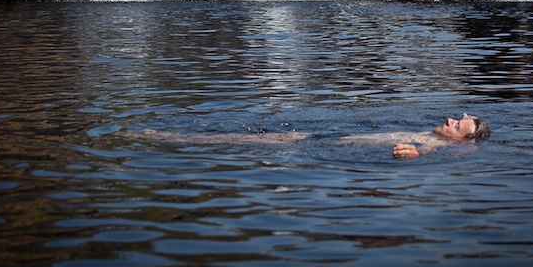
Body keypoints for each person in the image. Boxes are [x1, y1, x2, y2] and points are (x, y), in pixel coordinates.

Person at [124, 112, 491, 158]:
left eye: (457, 124)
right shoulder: (436, 134)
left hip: (327, 145)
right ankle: (162, 136)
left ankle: (159, 137)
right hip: (332, 137)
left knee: (250, 141)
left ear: (461, 140)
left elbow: (427, 153)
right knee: (254, 139)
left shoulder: (434, 143)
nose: (449, 119)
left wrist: (415, 154)